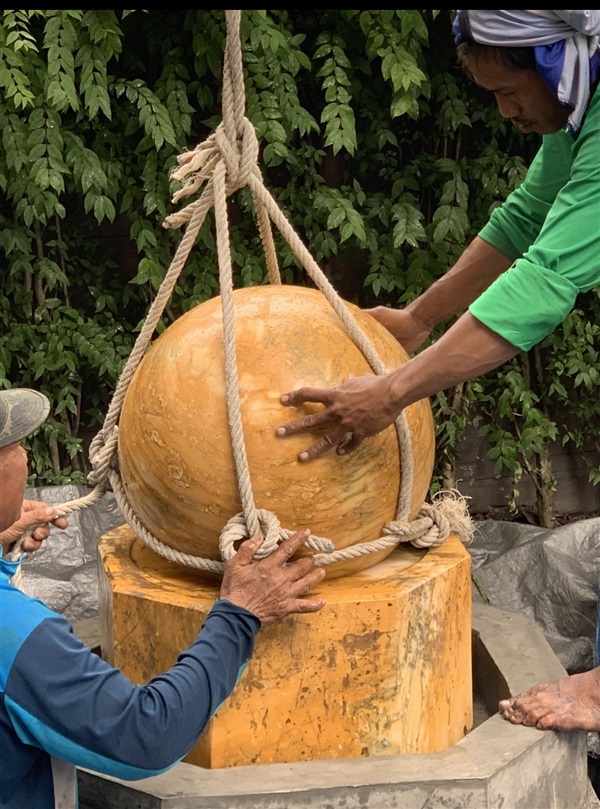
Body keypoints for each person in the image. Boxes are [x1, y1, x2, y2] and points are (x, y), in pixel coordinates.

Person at [276, 9, 600, 732]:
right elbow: (526, 219)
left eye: (509, 93)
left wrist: (393, 390)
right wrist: (417, 318)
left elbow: (545, 281)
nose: (505, 112)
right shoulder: (579, 109)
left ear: (550, 63)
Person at [0, 387, 326, 809]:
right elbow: (144, 735)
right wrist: (240, 615)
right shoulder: (15, 636)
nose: (25, 456)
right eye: (15, 446)